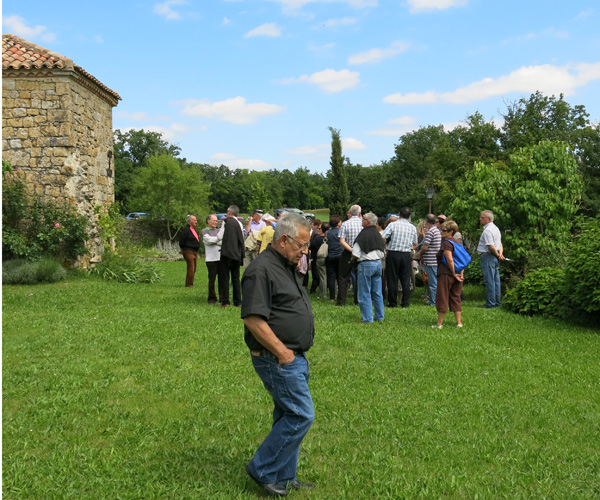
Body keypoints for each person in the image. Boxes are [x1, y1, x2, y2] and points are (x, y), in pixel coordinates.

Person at [241, 213, 316, 497]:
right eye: (302, 244)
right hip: (277, 358)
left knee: (286, 413)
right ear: (284, 240)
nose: (305, 250)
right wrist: (283, 353)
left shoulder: (287, 264)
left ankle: (285, 474)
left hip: (293, 357)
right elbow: (253, 319)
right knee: (300, 415)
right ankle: (263, 469)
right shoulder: (261, 270)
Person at [381, 207, 418, 308]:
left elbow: (383, 236)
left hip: (393, 253)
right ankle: (405, 302)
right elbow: (415, 243)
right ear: (409, 216)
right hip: (406, 254)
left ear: (399, 214)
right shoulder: (412, 227)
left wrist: (386, 244)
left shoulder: (393, 225)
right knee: (405, 279)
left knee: (392, 278)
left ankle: (392, 302)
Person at [352, 212, 385, 323]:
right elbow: (383, 251)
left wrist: (351, 258)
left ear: (368, 221)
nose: (362, 220)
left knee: (364, 292)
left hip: (365, 264)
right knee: (377, 292)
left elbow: (355, 253)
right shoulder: (378, 234)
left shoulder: (363, 234)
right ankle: (380, 316)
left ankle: (367, 318)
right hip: (378, 263)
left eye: (363, 218)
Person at [433, 220, 465, 328]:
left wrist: (453, 273)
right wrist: (460, 273)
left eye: (444, 230)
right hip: (458, 274)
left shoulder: (447, 243)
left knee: (442, 296)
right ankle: (459, 323)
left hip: (446, 273)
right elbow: (462, 260)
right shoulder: (457, 243)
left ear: (451, 231)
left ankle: (439, 323)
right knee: (456, 297)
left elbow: (450, 259)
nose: (441, 231)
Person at [217, 205, 245, 308]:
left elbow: (220, 236)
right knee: (236, 278)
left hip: (226, 253)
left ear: (229, 213)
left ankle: (226, 302)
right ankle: (238, 302)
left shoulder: (226, 222)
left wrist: (214, 241)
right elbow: (241, 238)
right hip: (237, 254)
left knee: (224, 277)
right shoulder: (240, 224)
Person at [477, 210, 505, 308]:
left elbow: (491, 246)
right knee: (495, 280)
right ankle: (497, 301)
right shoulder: (496, 229)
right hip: (495, 256)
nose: (480, 219)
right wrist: (500, 254)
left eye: (482, 217)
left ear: (488, 219)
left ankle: (491, 302)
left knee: (489, 280)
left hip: (488, 256)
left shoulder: (488, 230)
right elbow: (500, 244)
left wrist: (497, 255)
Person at [337, 205, 362, 306]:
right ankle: (358, 300)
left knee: (343, 277)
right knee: (359, 277)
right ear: (360, 213)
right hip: (360, 253)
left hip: (348, 252)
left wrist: (351, 250)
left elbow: (342, 241)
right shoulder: (363, 223)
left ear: (350, 213)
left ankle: (341, 301)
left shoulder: (345, 224)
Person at [415, 214, 442, 306]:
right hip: (435, 260)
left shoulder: (431, 232)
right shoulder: (437, 230)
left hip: (431, 260)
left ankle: (433, 301)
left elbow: (425, 246)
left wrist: (419, 253)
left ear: (427, 221)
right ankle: (435, 300)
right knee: (434, 282)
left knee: (432, 283)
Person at [202, 214, 221, 304]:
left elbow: (223, 240)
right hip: (211, 259)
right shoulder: (205, 231)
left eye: (216, 221)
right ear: (208, 221)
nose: (215, 222)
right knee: (212, 280)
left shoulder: (219, 230)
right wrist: (218, 239)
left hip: (220, 258)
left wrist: (215, 240)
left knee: (222, 279)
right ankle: (212, 298)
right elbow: (208, 241)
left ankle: (222, 297)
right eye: (213, 220)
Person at [179, 215, 200, 287]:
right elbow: (181, 241)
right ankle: (189, 284)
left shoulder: (193, 229)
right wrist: (183, 249)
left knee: (194, 268)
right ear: (190, 221)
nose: (196, 222)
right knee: (191, 267)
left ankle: (189, 282)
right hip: (188, 251)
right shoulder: (186, 230)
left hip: (194, 251)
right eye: (195, 220)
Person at [325, 215, 343, 303]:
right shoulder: (341, 231)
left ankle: (332, 297)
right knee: (340, 276)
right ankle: (341, 295)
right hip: (340, 255)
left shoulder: (328, 232)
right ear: (338, 222)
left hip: (330, 255)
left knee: (331, 277)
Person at [308, 220, 324, 294]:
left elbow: (313, 244)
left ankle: (313, 288)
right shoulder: (317, 233)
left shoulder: (315, 233)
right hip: (320, 255)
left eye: (312, 224)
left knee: (315, 273)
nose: (311, 225)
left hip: (315, 255)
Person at [316, 222, 329, 299]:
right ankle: (334, 293)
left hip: (321, 258)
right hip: (330, 257)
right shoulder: (331, 237)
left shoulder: (317, 238)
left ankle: (323, 294)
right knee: (332, 276)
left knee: (322, 276)